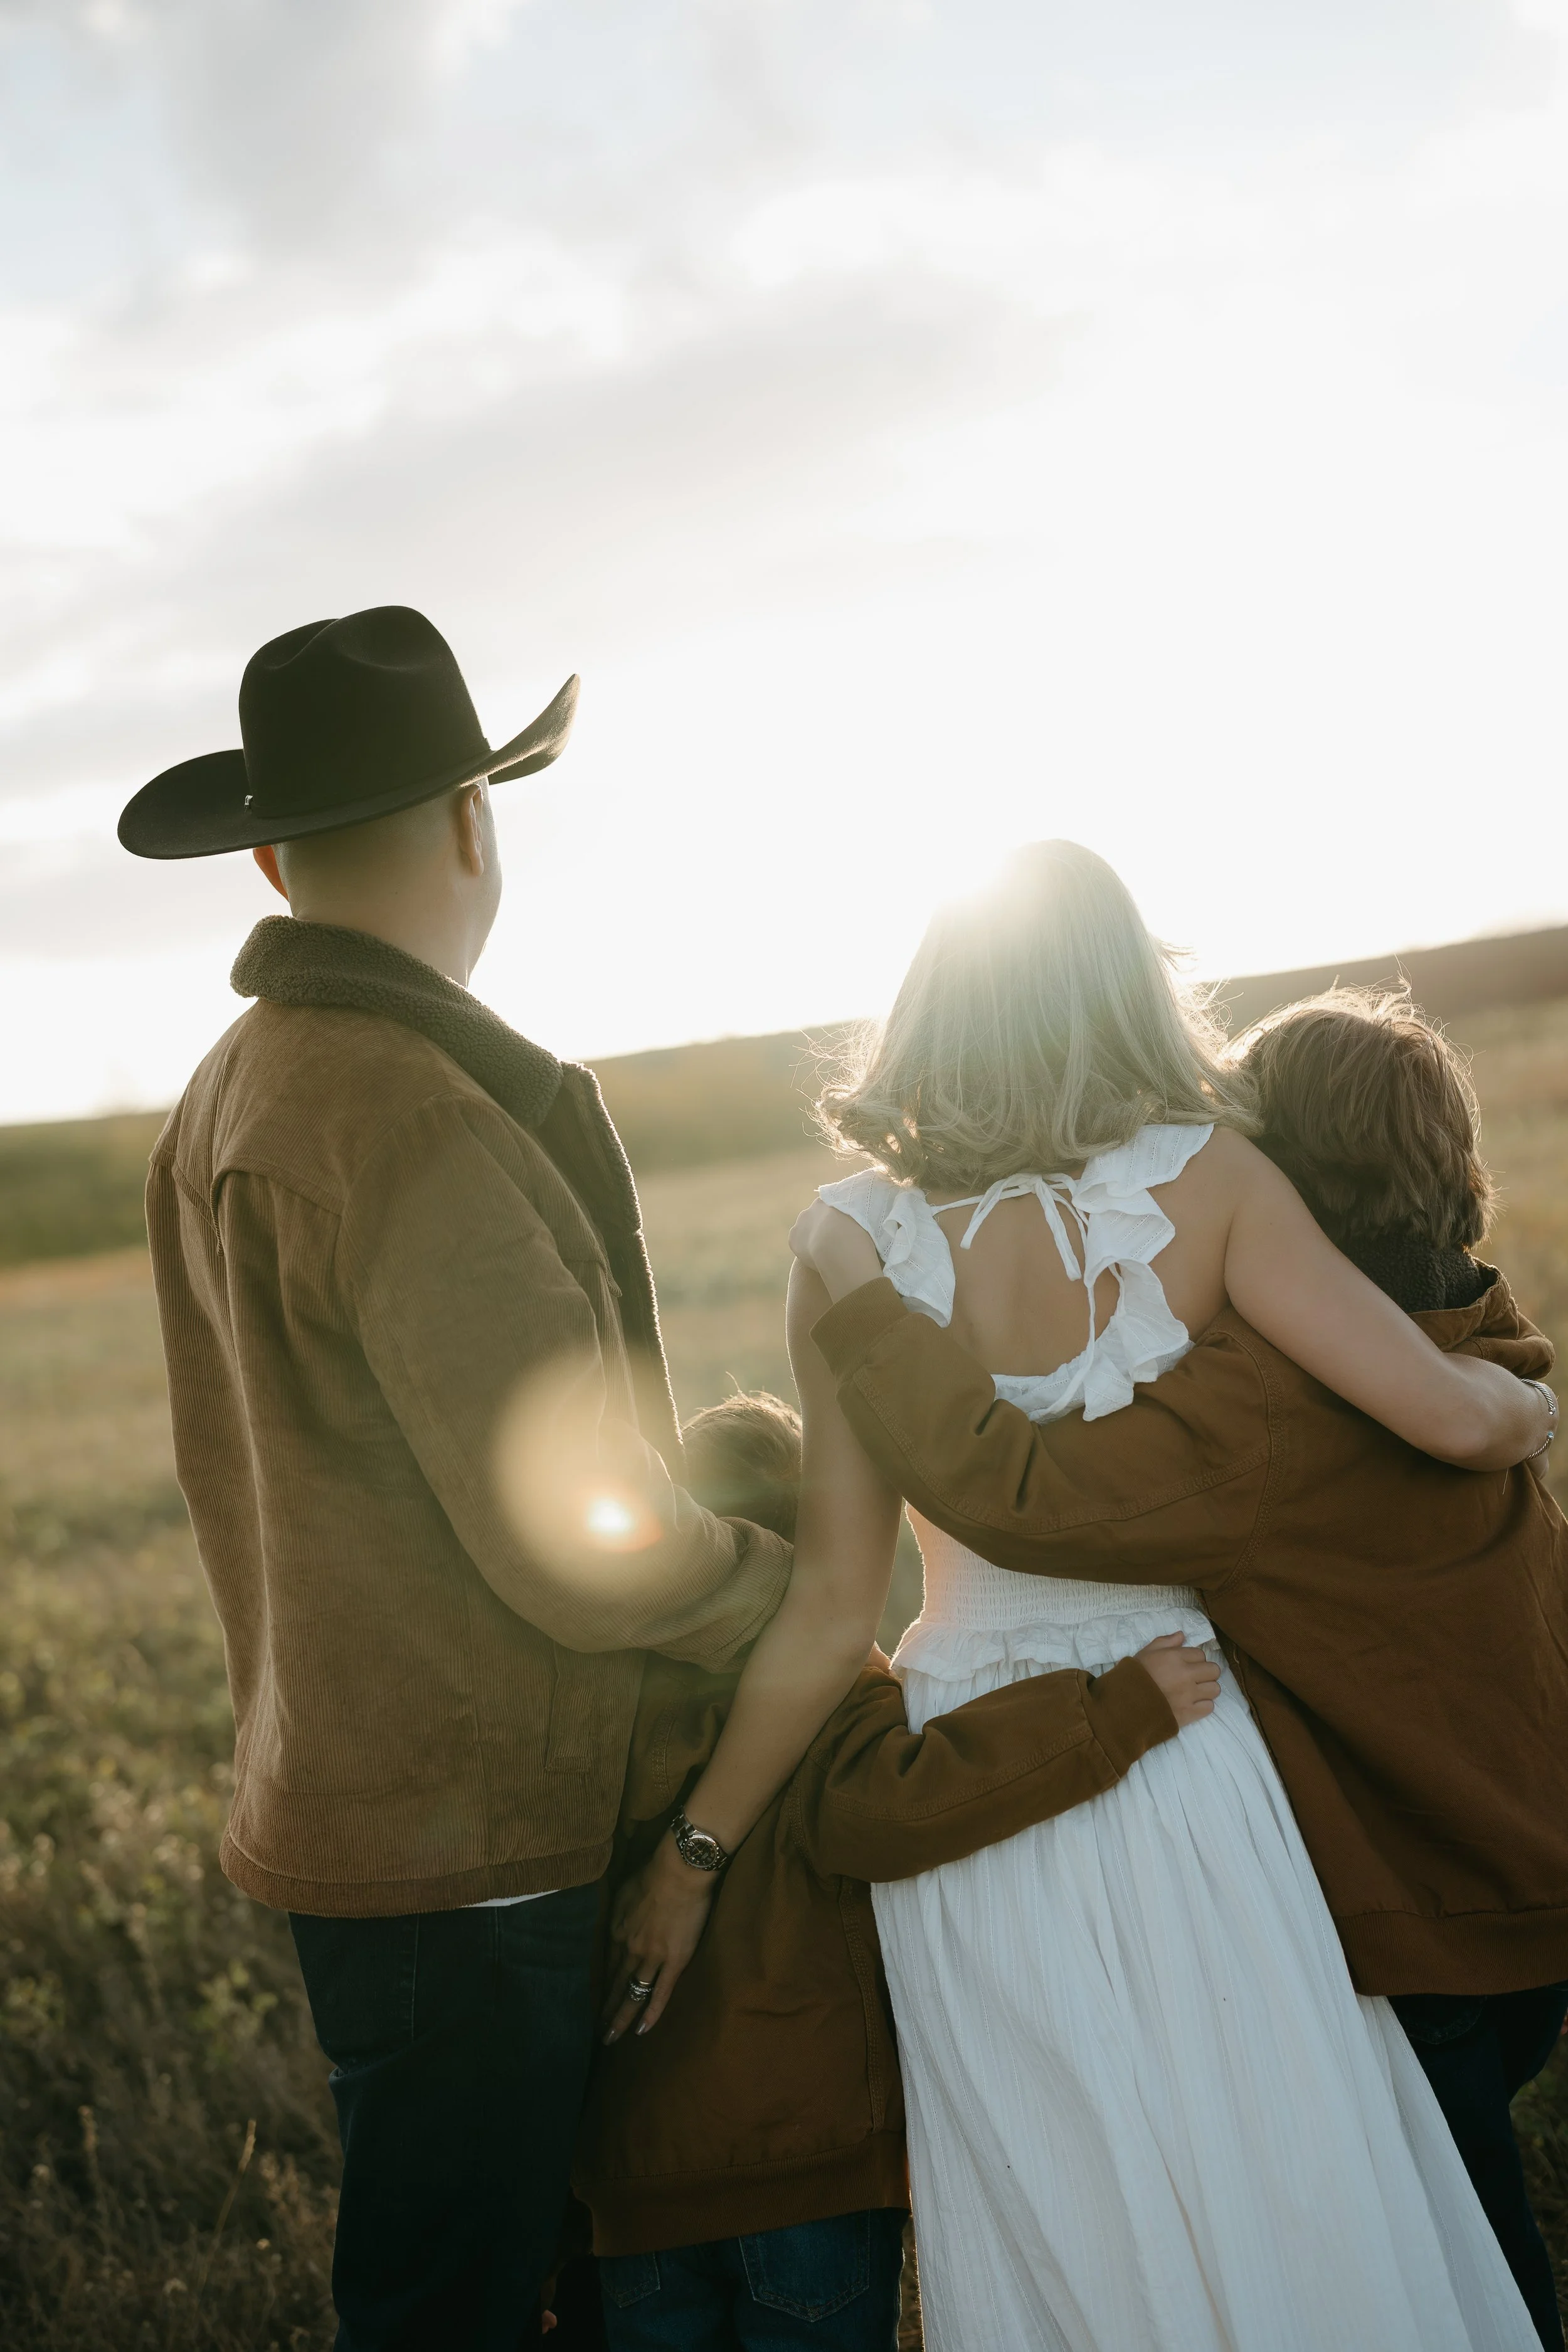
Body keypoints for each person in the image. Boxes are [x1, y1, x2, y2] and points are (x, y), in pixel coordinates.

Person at [612, 842, 1552, 2352]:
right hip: (1186, 1739)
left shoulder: (845, 1241)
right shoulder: (1217, 1185)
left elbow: (828, 1604)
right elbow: (1441, 1418)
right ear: (1128, 991)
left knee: (1062, 2214)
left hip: (966, 1756)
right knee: (1275, 2176)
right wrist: (1520, 1411)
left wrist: (697, 1848)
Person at [119, 608, 796, 2351]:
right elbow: (579, 1541)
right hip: (478, 1844)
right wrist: (775, 1590)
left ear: (268, 855)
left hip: (369, 1806)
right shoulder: (402, 1110)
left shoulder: (228, 1091)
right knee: (460, 2312)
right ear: (477, 820)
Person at [576, 1391, 1219, 2352]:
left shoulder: (614, 1723)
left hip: (630, 2195)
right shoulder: (834, 1704)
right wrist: (1115, 1710)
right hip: (809, 2176)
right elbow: (918, 1794)